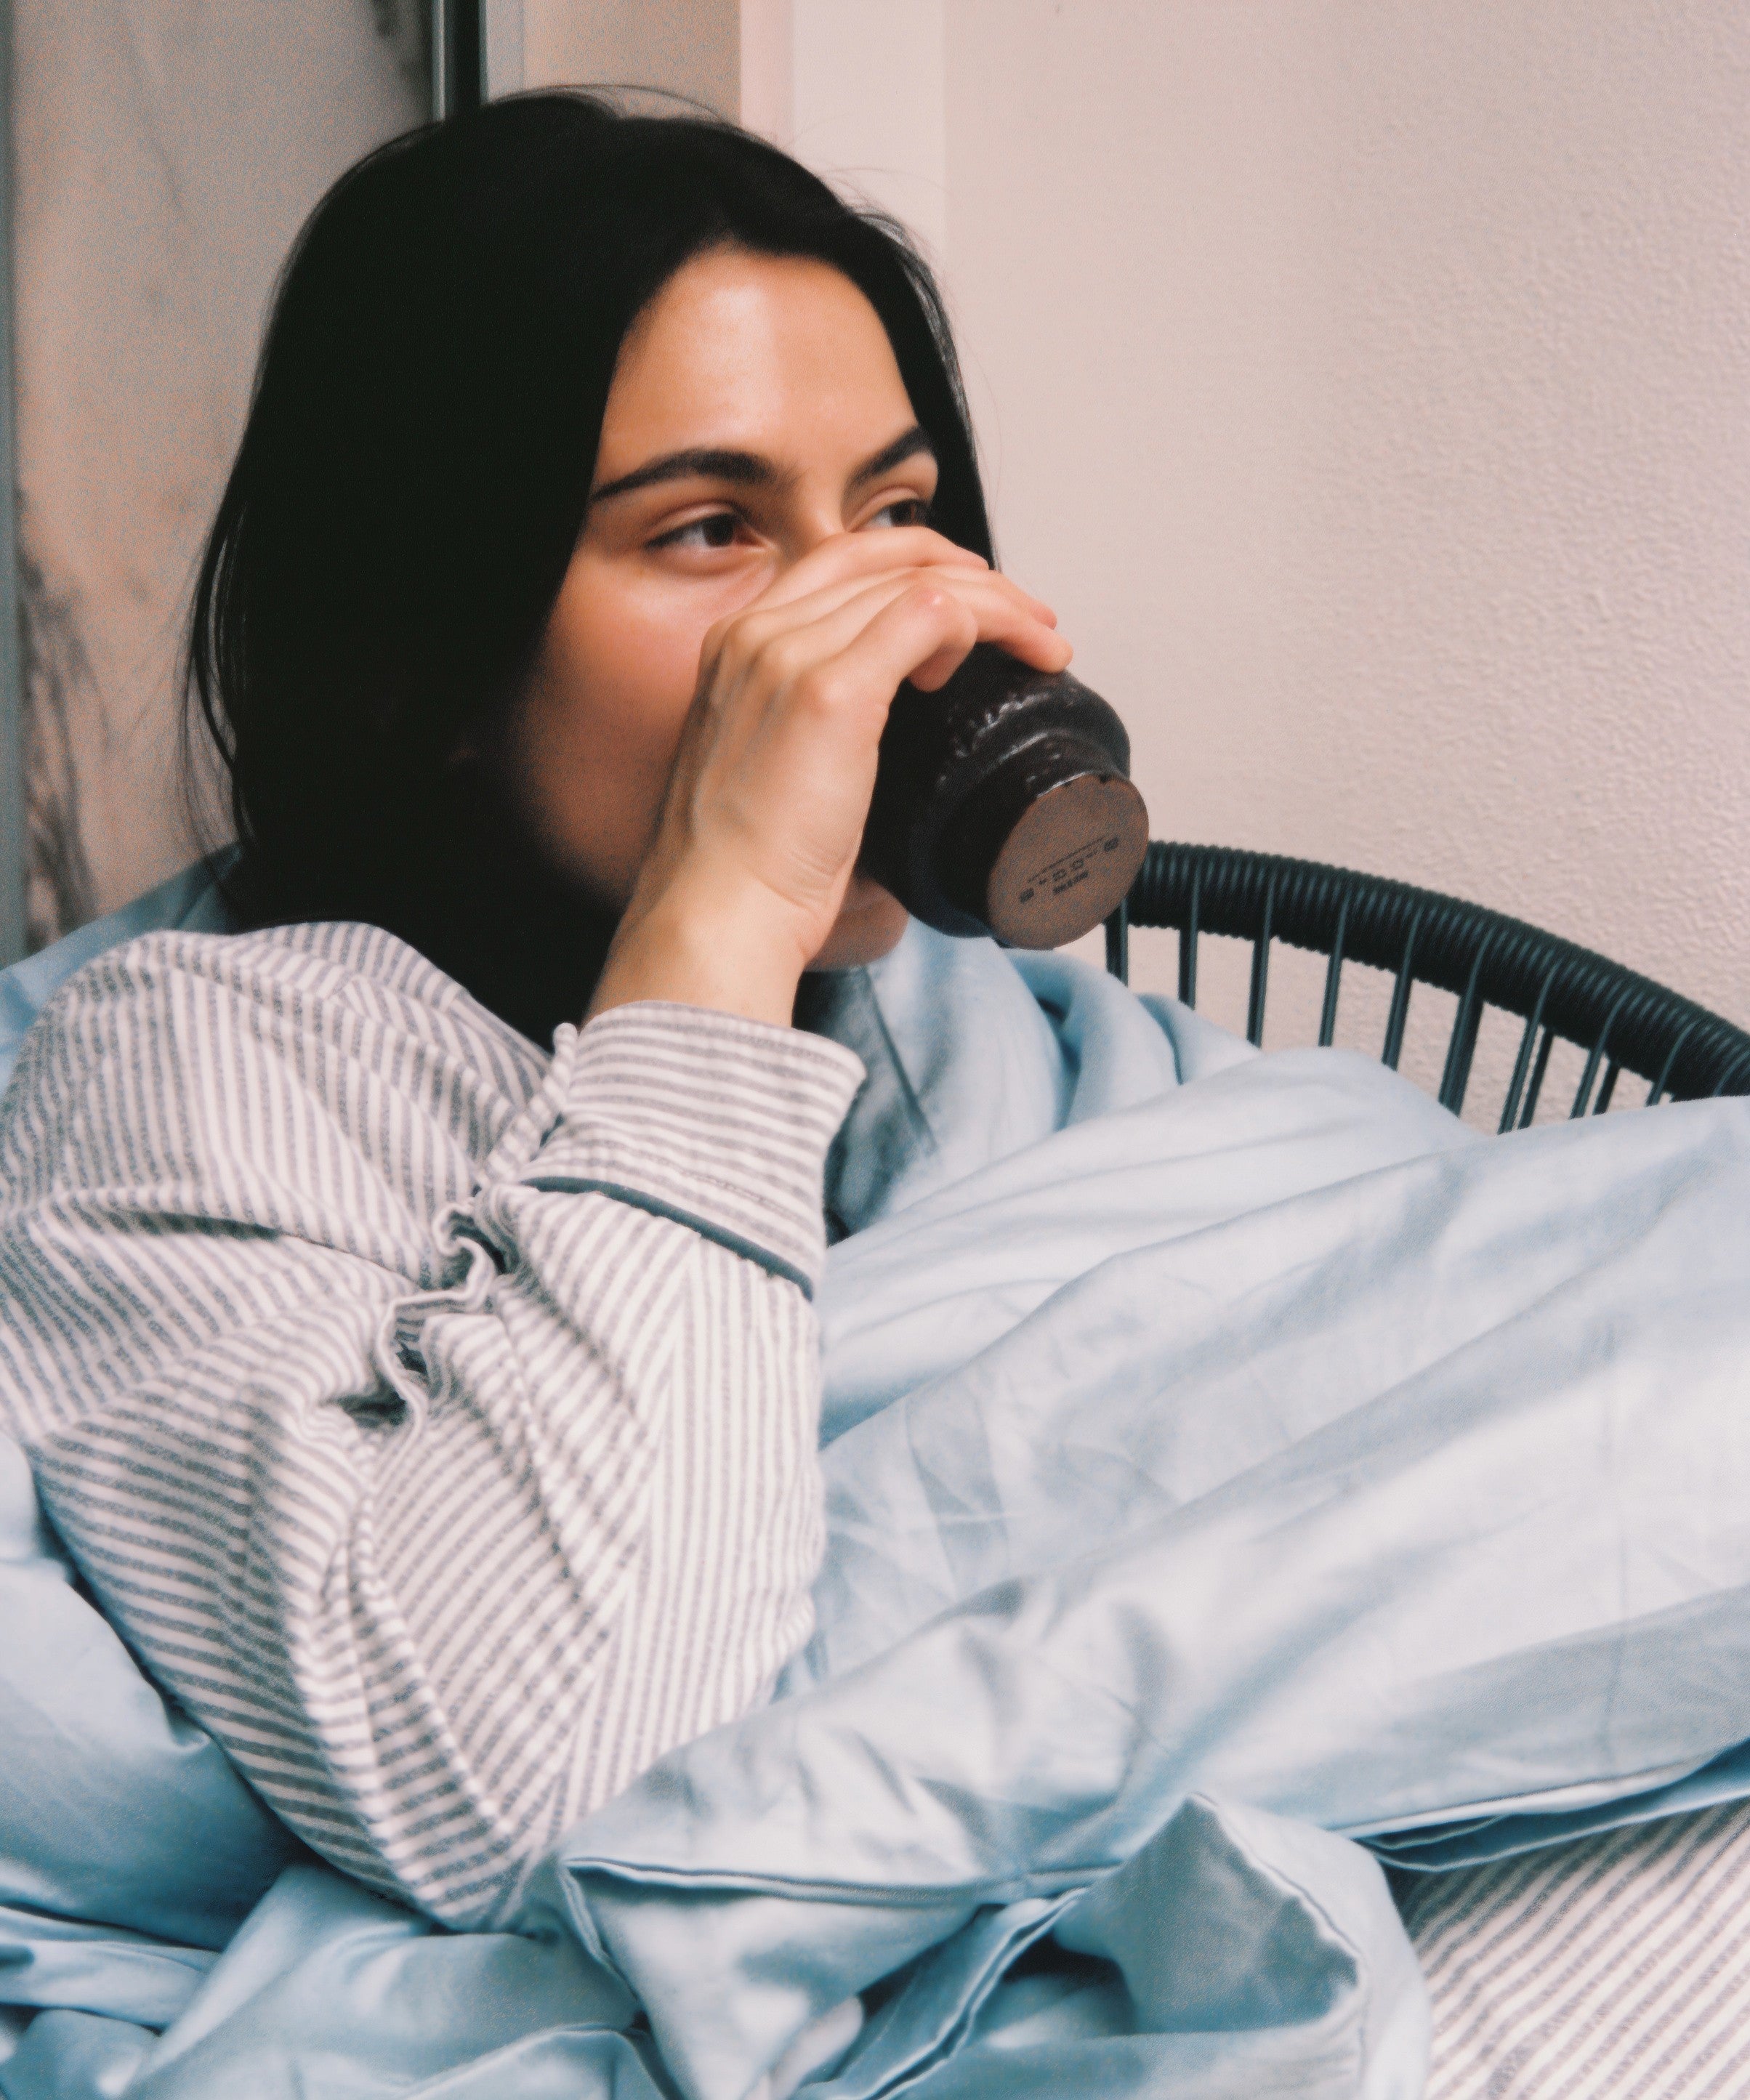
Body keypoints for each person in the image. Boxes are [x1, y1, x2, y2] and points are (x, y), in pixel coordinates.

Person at [0, 94, 1068, 1928]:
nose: (870, 631)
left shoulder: (978, 1021)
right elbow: (564, 1791)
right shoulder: (183, 1078)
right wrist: (720, 916)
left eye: (897, 510)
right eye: (715, 529)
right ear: (424, 654)